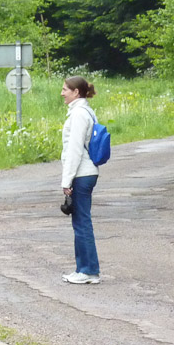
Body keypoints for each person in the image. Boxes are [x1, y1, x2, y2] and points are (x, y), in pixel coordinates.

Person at [60, 75, 101, 285]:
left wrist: (66, 181)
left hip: (81, 174)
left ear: (76, 92)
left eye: (65, 89)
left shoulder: (78, 114)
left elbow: (74, 150)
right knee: (82, 221)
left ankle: (87, 270)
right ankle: (85, 269)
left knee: (82, 222)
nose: (62, 93)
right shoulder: (86, 111)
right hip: (87, 172)